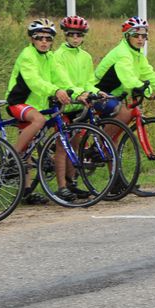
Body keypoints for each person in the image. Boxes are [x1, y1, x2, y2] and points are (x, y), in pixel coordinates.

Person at [5, 18, 74, 204]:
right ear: (32, 40)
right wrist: (54, 91)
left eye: (48, 38)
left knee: (29, 148)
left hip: (37, 105)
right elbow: (33, 81)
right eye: (40, 38)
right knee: (39, 121)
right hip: (19, 102)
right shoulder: (27, 55)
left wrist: (78, 92)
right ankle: (12, 158)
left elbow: (62, 78)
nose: (44, 41)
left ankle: (26, 192)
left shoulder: (50, 57)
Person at [52, 15, 101, 200]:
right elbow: (62, 80)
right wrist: (79, 93)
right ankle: (61, 187)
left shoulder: (85, 56)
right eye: (71, 34)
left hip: (79, 106)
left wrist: (96, 91)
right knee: (62, 147)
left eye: (79, 35)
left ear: (83, 36)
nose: (75, 38)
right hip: (65, 105)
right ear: (65, 35)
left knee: (75, 144)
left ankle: (72, 183)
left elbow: (89, 81)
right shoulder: (58, 55)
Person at [94, 16, 155, 128]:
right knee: (124, 114)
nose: (140, 39)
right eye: (136, 36)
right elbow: (128, 79)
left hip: (115, 95)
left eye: (144, 36)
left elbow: (149, 74)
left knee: (120, 130)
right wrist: (147, 91)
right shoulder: (122, 53)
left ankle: (109, 144)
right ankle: (106, 144)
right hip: (99, 93)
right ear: (127, 36)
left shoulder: (137, 54)